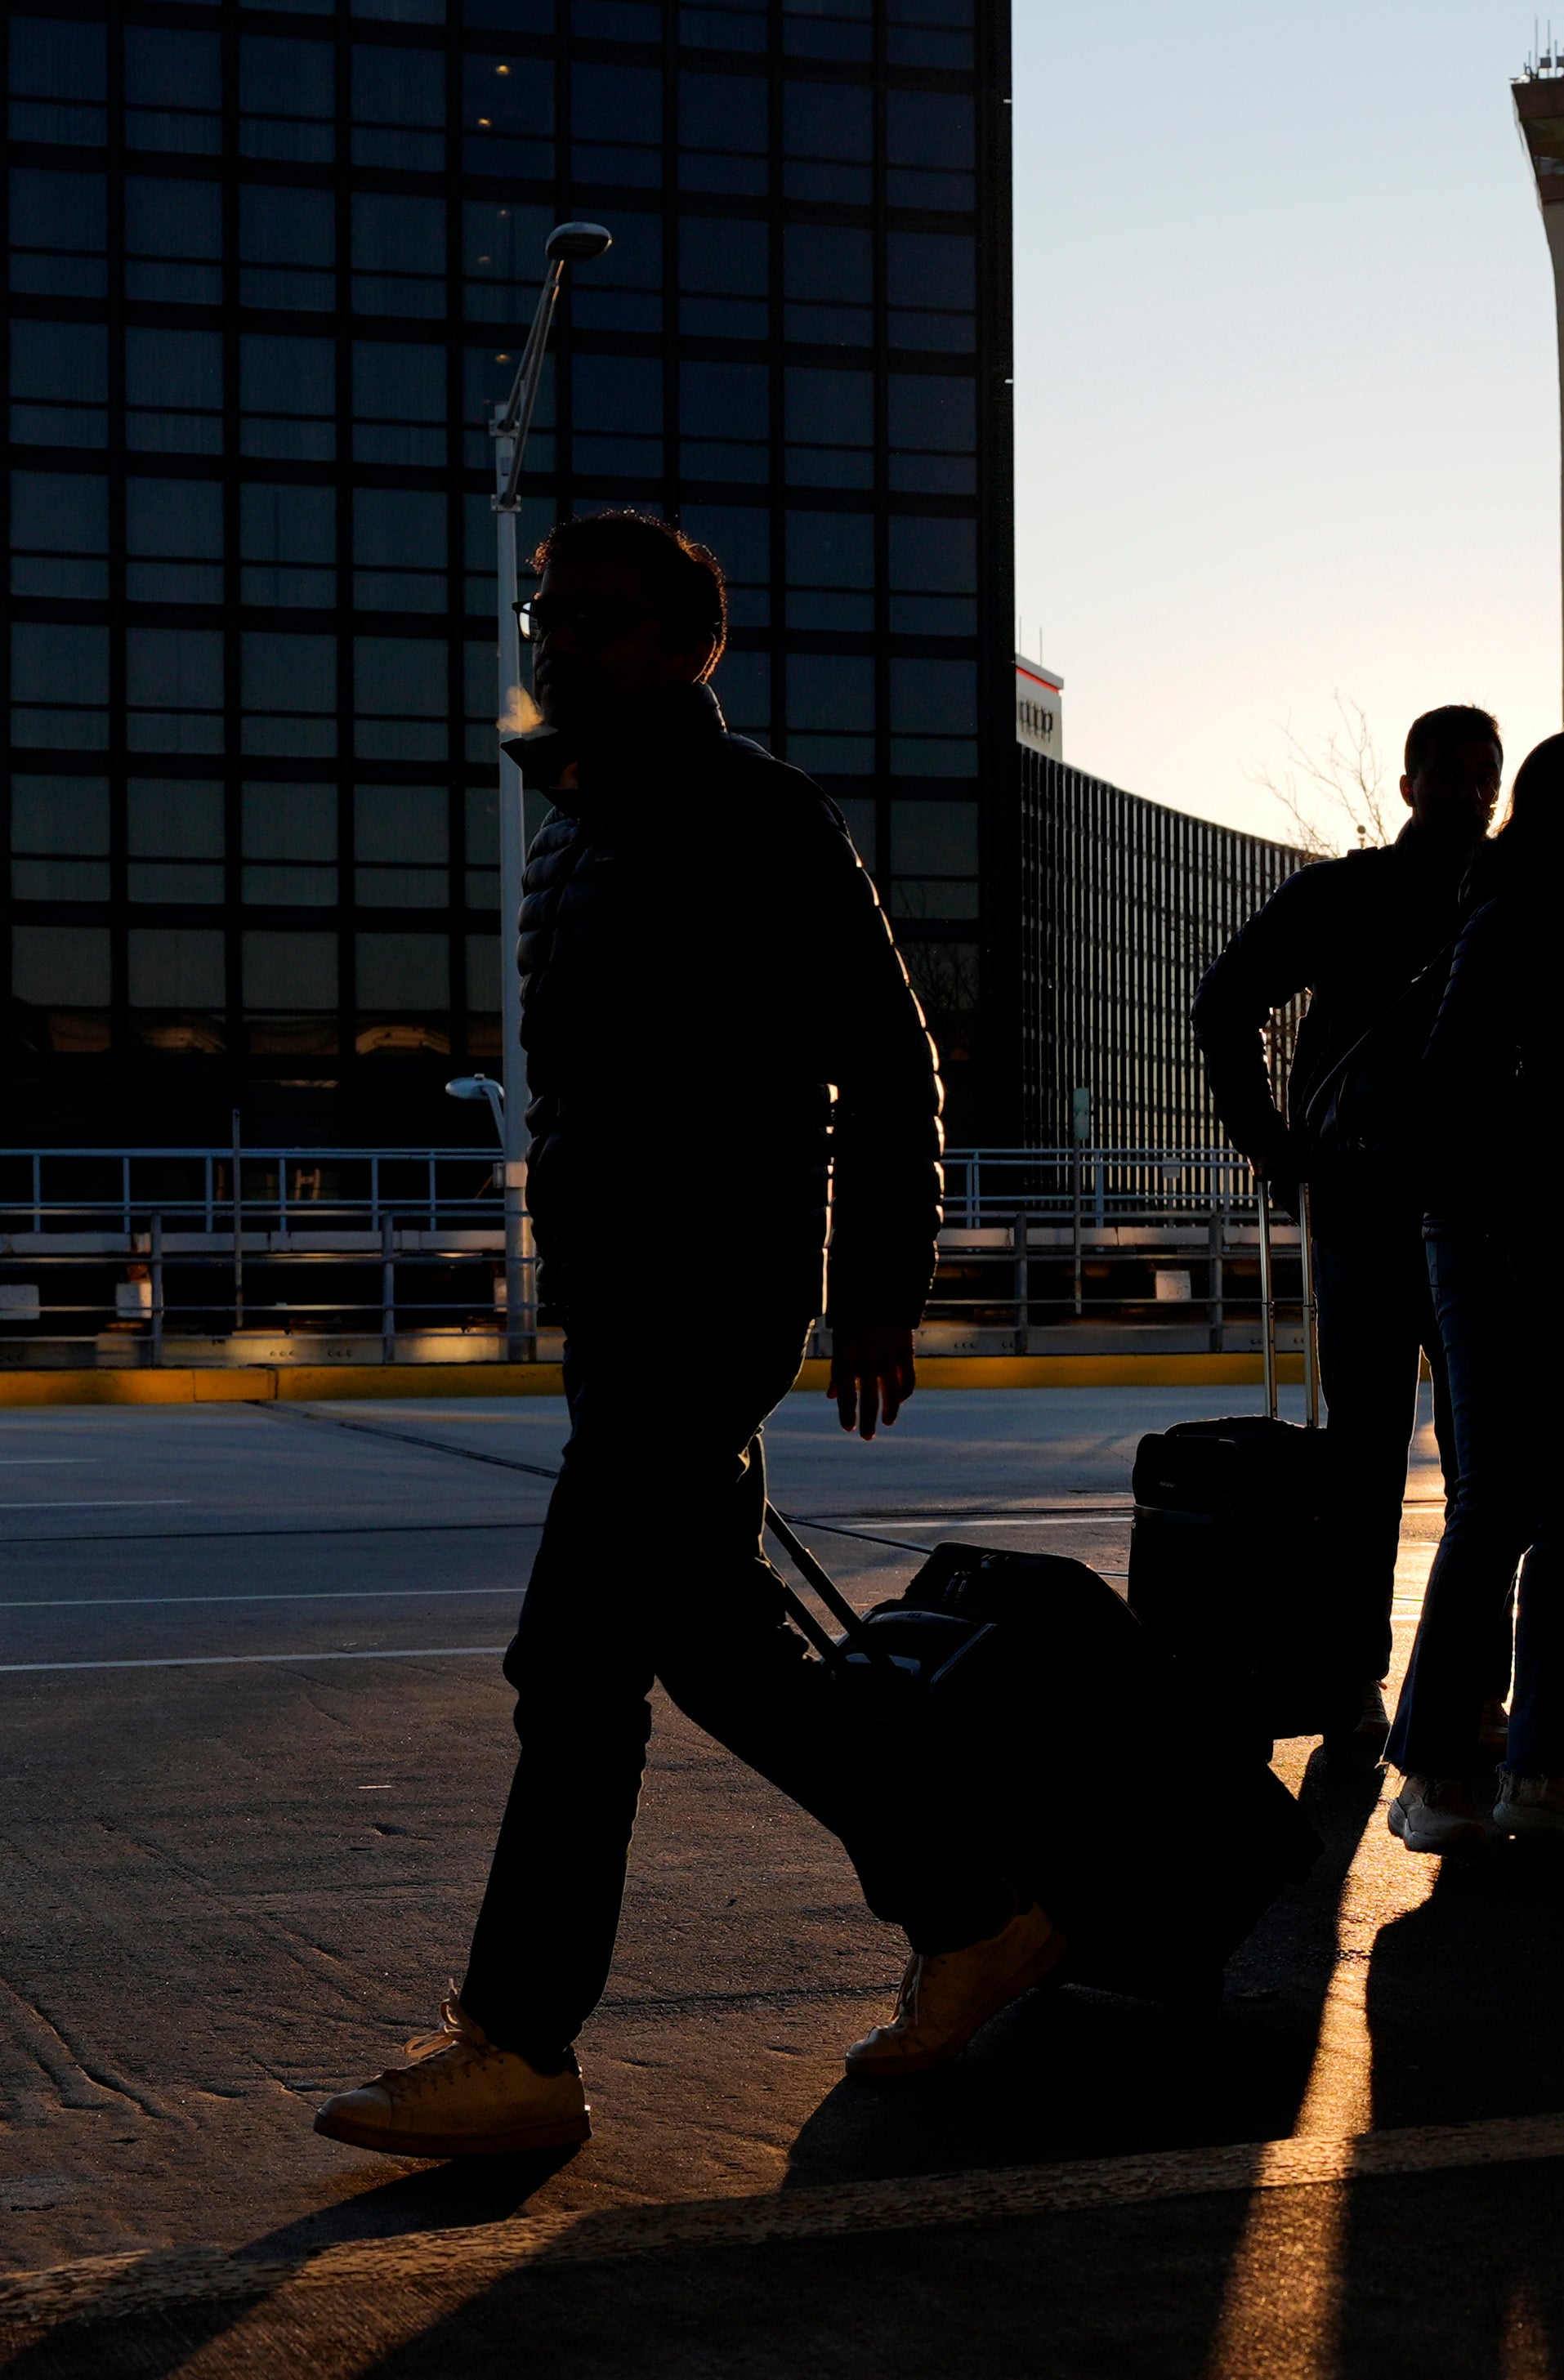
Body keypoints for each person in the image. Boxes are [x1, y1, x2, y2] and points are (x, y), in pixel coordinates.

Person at [315, 511, 1045, 2162]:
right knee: (717, 1649)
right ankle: (976, 1907)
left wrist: (875, 1290)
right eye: (548, 612)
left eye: (604, 622)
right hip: (625, 1292)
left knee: (573, 1671)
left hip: (711, 1293)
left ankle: (518, 2046)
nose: (559, 643)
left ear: (689, 648)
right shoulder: (586, 805)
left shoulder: (749, 810)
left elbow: (886, 1049)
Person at [1383, 725, 1564, 1852]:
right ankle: (1438, 1769)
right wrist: (1520, 1237)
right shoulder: (1522, 912)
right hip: (1513, 1247)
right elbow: (1454, 1089)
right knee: (1503, 1502)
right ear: (1551, 809)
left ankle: (1545, 1762)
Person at [1191, 706, 1501, 1736]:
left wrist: (1272, 1140)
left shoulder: (1450, 891)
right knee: (1392, 1452)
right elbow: (1225, 1001)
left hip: (1429, 1206)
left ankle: (1408, 1683)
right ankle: (1385, 1679)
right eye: (1449, 774)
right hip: (1384, 1206)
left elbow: (1228, 1003)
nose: (1467, 791)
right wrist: (1268, 1141)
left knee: (1440, 1458)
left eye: (1482, 775)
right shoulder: (1374, 892)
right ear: (1409, 785)